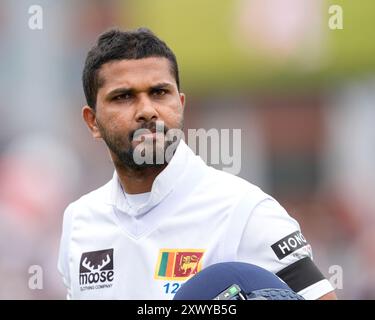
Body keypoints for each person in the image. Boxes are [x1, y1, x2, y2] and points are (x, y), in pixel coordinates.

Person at [57, 27, 336, 300]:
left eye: (159, 92)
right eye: (123, 97)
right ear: (92, 121)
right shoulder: (80, 220)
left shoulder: (246, 211)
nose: (146, 110)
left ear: (180, 103)